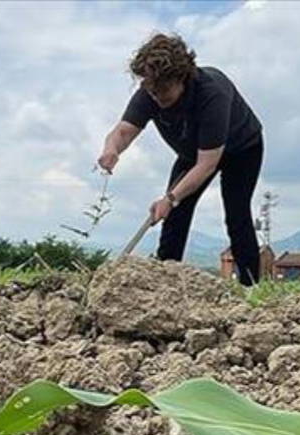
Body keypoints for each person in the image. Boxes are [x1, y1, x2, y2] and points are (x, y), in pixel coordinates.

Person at [97, 33, 265, 284]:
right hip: (191, 152)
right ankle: (165, 280)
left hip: (242, 148)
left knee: (236, 212)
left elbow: (207, 164)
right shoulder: (149, 92)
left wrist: (170, 197)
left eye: (164, 90)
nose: (158, 97)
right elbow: (122, 131)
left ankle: (250, 284)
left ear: (182, 77)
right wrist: (111, 149)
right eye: (153, 91)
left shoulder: (212, 93)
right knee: (175, 213)